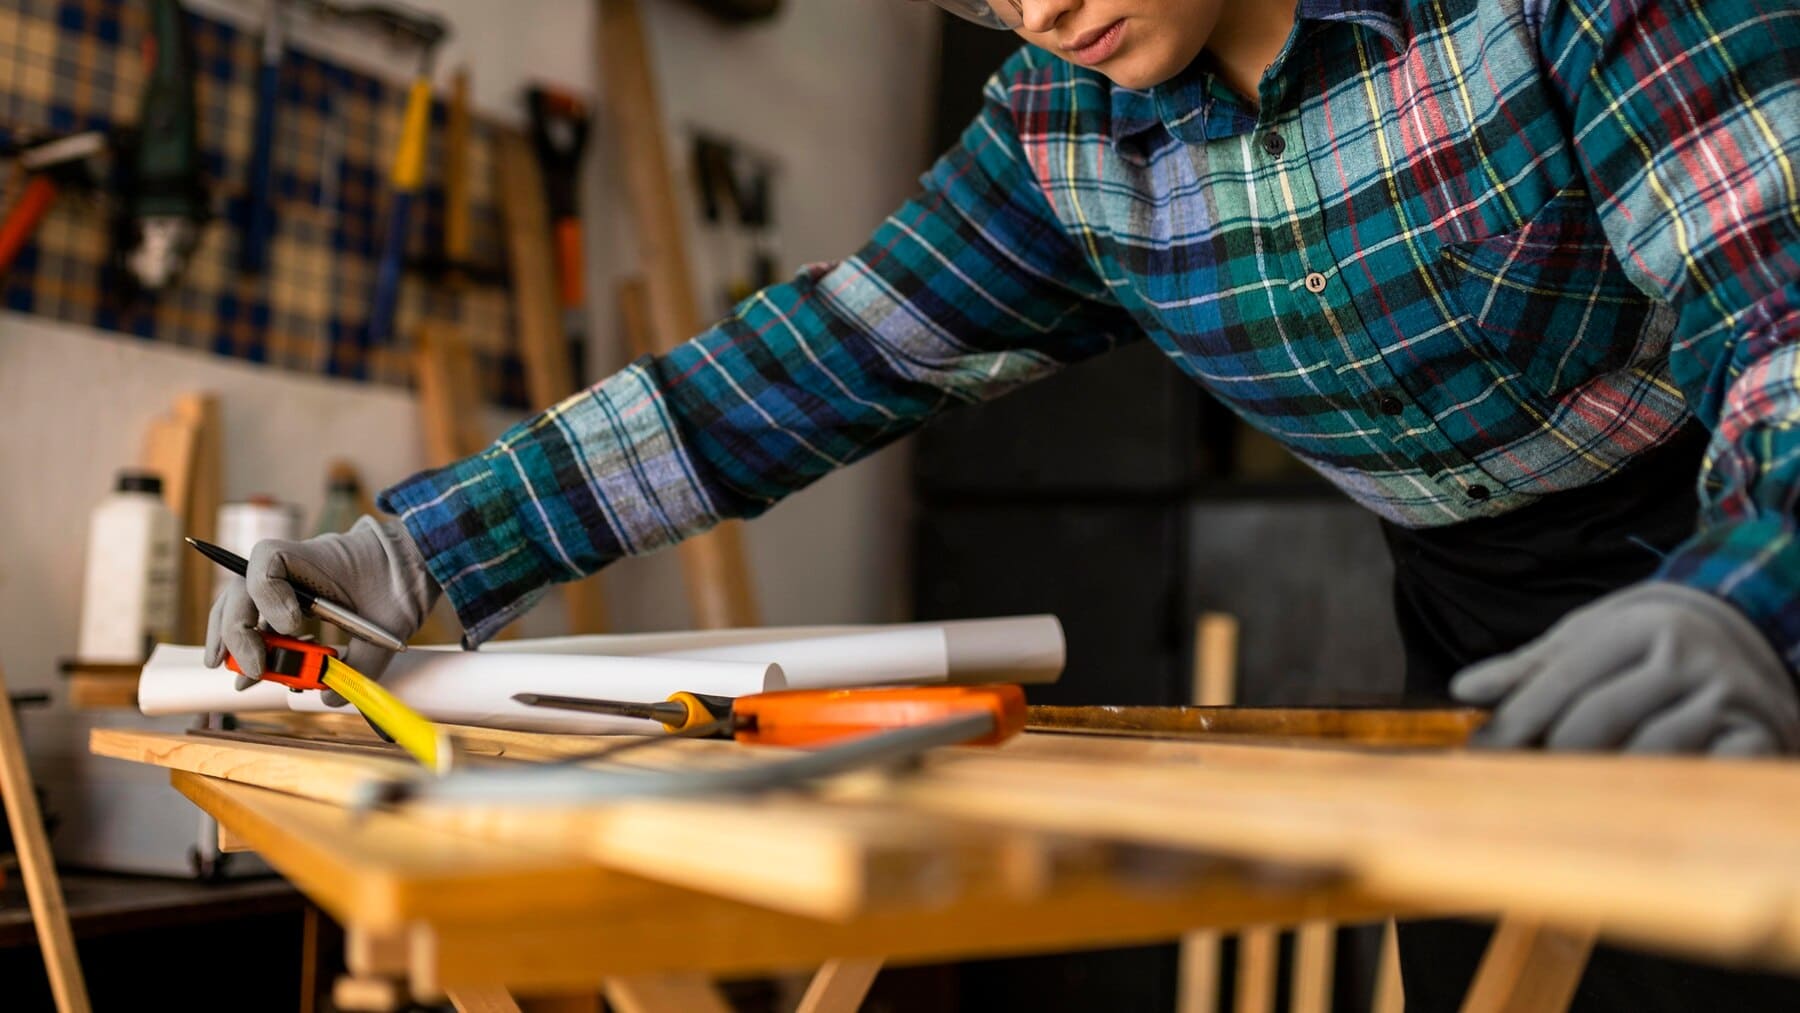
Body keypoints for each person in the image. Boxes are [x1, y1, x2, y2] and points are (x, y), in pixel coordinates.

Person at [206, 0, 1800, 1007]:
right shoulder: (1063, 135)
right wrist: (417, 547)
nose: (1038, 11)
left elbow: (1782, 318)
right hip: (1486, 631)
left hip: (1740, 544)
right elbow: (796, 371)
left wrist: (1747, 597)